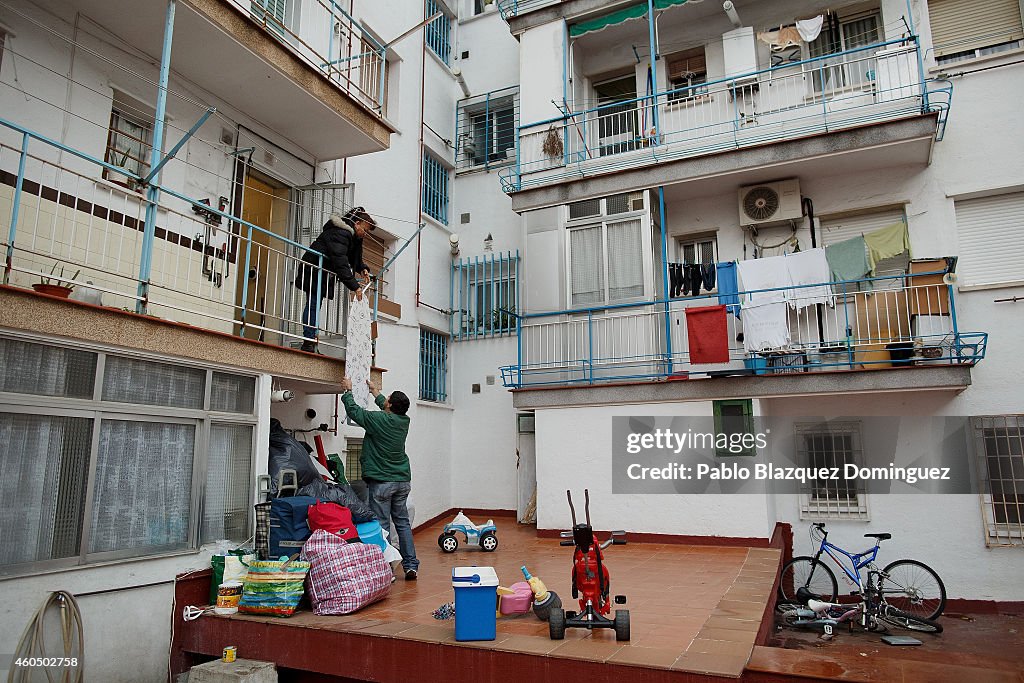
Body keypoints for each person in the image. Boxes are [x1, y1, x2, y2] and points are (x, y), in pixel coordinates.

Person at [339, 376, 419, 580]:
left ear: (390, 405)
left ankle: (386, 569)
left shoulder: (379, 420)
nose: (385, 400)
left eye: (387, 399)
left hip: (383, 482)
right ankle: (410, 566)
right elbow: (387, 407)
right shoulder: (403, 421)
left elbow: (355, 412)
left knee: (382, 525)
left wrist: (348, 391)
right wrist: (375, 391)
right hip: (402, 480)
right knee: (402, 524)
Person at [294, 206, 377, 353]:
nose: (365, 234)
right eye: (364, 229)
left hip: (321, 272)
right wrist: (355, 287)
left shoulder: (351, 236)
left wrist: (362, 268)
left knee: (314, 305)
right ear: (357, 223)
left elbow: (352, 258)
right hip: (314, 269)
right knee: (313, 305)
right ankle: (308, 342)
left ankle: (311, 342)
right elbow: (341, 262)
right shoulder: (341, 233)